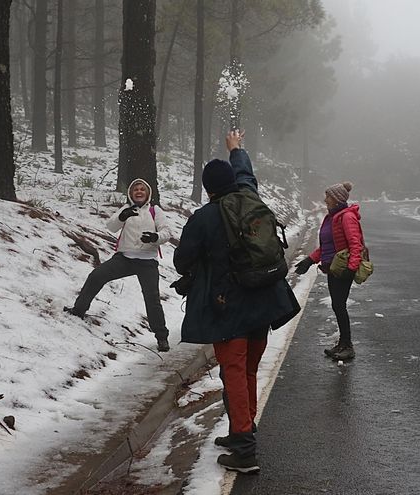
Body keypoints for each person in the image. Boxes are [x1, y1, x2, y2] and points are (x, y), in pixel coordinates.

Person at [173, 130, 300, 474]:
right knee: (247, 371)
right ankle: (241, 428)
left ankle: (244, 449)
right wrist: (237, 149)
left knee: (233, 373)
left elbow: (182, 261)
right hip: (264, 301)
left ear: (207, 188)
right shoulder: (248, 196)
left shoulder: (204, 218)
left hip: (228, 307)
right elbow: (246, 174)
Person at [64, 178, 172, 352]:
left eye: (142, 189)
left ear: (148, 193)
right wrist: (122, 216)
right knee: (96, 276)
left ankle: (162, 338)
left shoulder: (155, 210)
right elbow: (111, 226)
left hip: (147, 262)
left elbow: (166, 232)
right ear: (130, 193)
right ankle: (78, 310)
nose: (138, 191)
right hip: (125, 259)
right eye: (135, 189)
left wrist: (154, 237)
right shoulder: (126, 209)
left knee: (152, 300)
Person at [294, 181, 363, 361]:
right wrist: (309, 260)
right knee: (337, 305)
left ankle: (348, 346)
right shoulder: (332, 217)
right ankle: (343, 343)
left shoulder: (346, 217)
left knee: (339, 305)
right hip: (334, 268)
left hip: (342, 268)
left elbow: (356, 244)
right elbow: (327, 247)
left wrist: (351, 268)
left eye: (328, 197)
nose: (325, 200)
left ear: (336, 199)